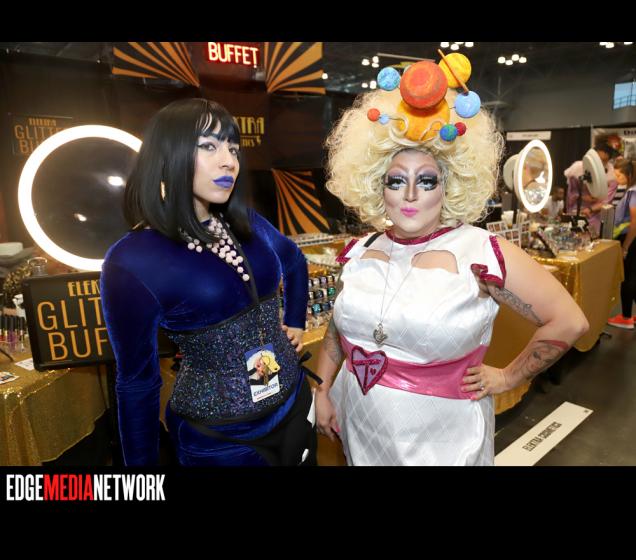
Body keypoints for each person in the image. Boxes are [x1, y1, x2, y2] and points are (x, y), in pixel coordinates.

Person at [314, 61, 590, 466]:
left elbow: (569, 321)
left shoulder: (480, 252)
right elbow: (340, 326)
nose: (410, 194)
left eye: (426, 180)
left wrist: (509, 376)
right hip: (359, 422)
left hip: (441, 439)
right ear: (378, 186)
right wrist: (322, 389)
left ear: (449, 184)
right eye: (396, 180)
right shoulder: (360, 251)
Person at [100, 98, 316, 466]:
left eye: (233, 148)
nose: (229, 161)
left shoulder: (246, 222)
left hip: (294, 403)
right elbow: (137, 382)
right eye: (209, 146)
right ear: (167, 154)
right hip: (221, 439)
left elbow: (294, 260)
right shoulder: (132, 260)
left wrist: (294, 321)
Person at [564, 140, 619, 236]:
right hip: (577, 210)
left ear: (609, 160)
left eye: (604, 160)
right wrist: (582, 197)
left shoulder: (611, 176)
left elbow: (607, 200)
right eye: (598, 159)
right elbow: (571, 194)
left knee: (593, 238)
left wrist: (590, 209)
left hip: (597, 214)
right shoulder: (577, 169)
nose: (600, 163)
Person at [607, 159, 636, 329]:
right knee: (632, 276)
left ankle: (626, 317)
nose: (617, 178)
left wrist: (625, 246)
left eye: (619, 175)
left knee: (628, 278)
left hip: (630, 239)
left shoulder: (633, 192)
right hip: (629, 238)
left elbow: (634, 222)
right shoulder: (630, 191)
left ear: (629, 175)